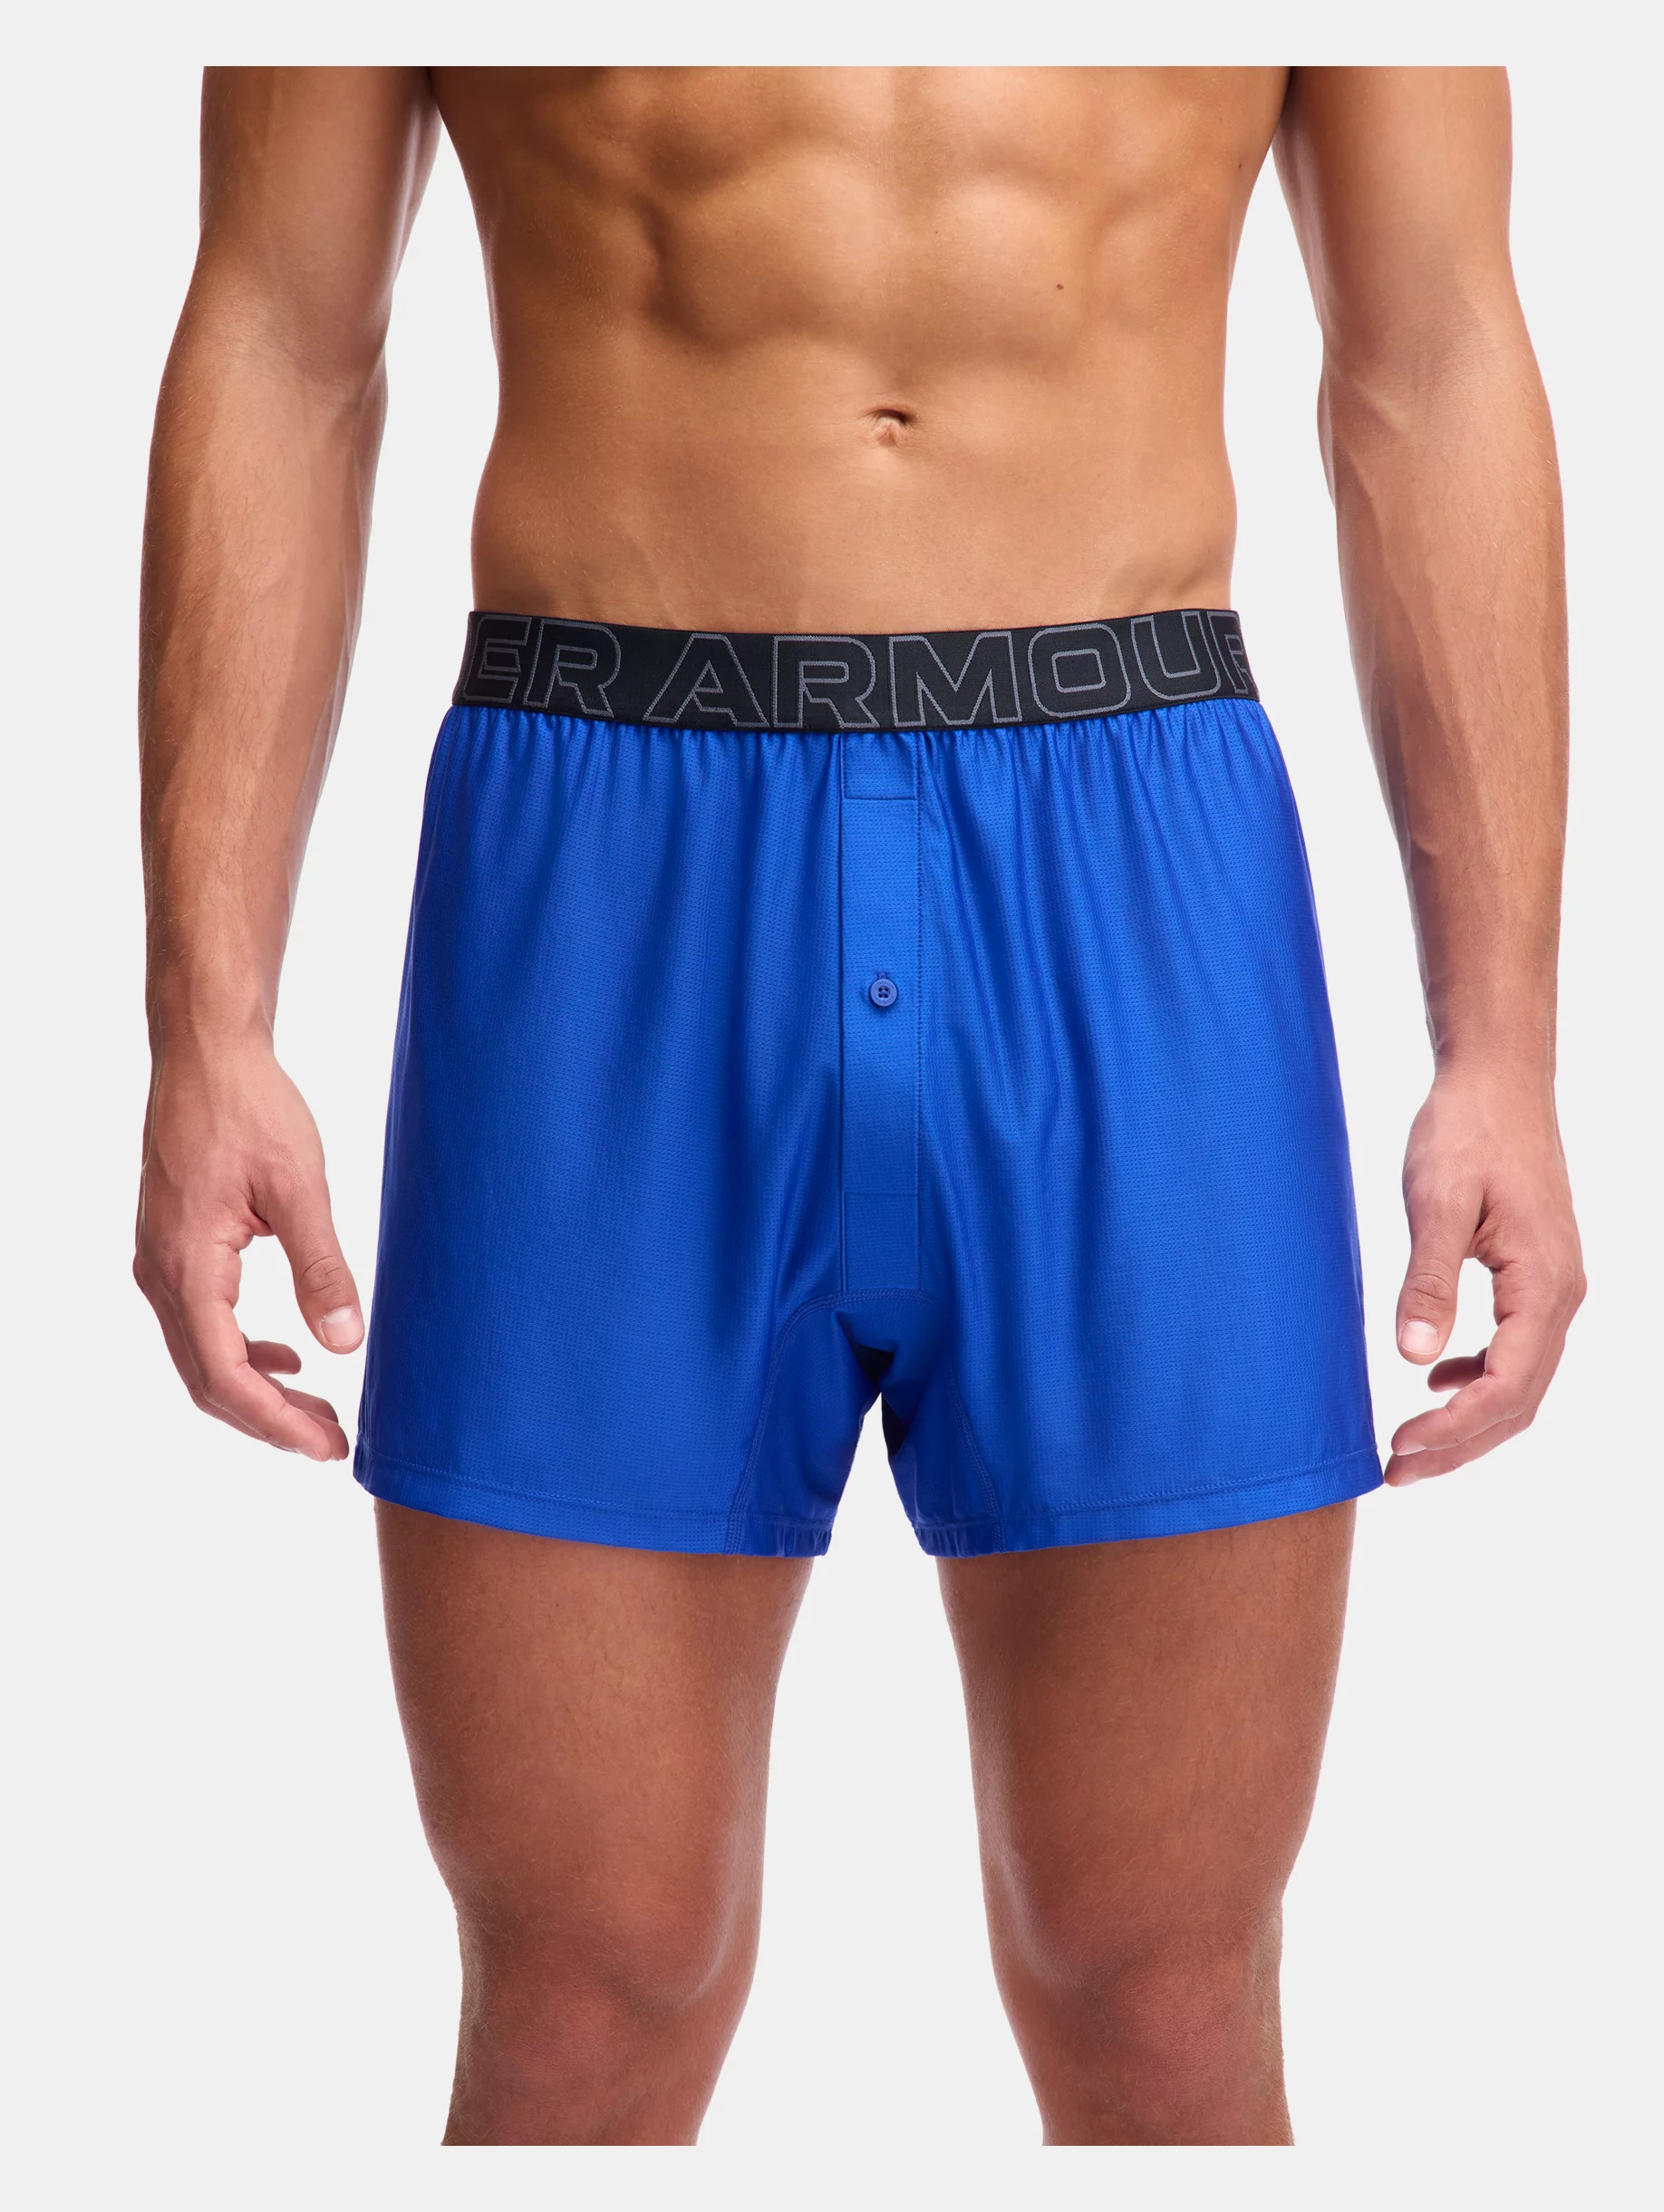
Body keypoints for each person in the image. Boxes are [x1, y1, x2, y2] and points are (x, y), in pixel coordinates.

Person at [133, 66, 1583, 2145]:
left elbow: (1428, 352)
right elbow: (283, 332)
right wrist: (208, 1023)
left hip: (1132, 843)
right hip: (605, 858)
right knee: (582, 1996)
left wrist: (1503, 1042)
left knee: (1165, 1996)